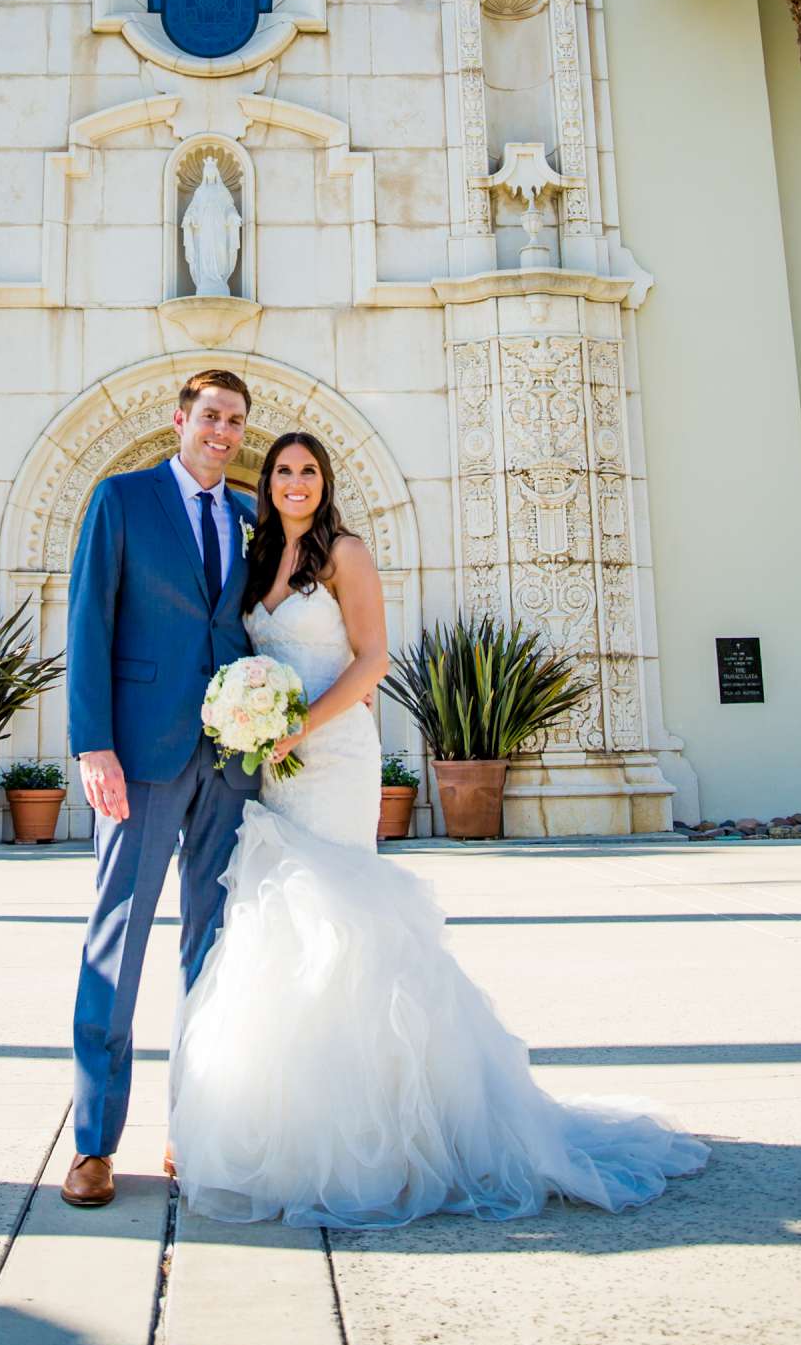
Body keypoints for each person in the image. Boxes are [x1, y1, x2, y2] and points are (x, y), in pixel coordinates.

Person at [168, 429, 710, 1228]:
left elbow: (373, 661)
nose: (294, 483)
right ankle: (291, 1128)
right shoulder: (255, 561)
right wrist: (251, 722)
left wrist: (297, 727)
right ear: (267, 482)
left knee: (343, 919)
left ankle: (387, 1131)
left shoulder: (343, 554)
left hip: (335, 754)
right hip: (274, 769)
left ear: (325, 481)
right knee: (276, 916)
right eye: (283, 471)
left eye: (308, 471)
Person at [63, 367, 257, 1210]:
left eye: (236, 421)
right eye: (210, 415)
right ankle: (95, 1145)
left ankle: (195, 1126)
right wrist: (92, 744)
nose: (222, 431)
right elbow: (88, 621)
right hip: (139, 756)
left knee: (211, 951)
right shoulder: (121, 500)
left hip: (230, 761)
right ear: (180, 420)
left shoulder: (253, 519)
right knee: (120, 940)